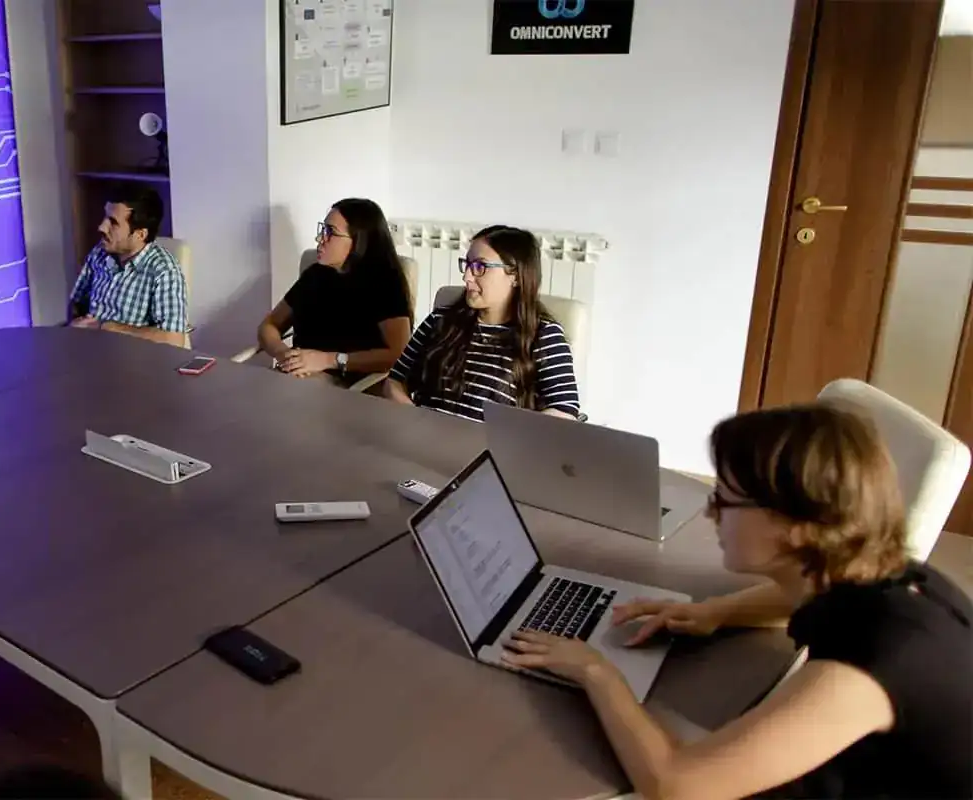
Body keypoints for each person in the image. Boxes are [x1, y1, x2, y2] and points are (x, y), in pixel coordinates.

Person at [501, 404, 971, 799]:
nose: (710, 512)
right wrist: (714, 613)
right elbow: (799, 594)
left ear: (797, 526)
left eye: (726, 500)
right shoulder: (896, 576)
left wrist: (596, 670)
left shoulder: (868, 668)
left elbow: (677, 784)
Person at [385, 225, 579, 421]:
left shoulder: (543, 335)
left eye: (480, 267)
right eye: (467, 265)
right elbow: (395, 380)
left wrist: (516, 438)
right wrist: (414, 419)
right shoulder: (440, 320)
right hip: (422, 439)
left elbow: (565, 409)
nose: (467, 277)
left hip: (492, 448)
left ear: (516, 276)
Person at [255, 199, 413, 386]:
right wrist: (283, 354)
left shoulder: (384, 284)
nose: (319, 239)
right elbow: (269, 325)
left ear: (358, 241)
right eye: (323, 230)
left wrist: (328, 360)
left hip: (348, 384)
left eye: (330, 232)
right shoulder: (315, 275)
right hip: (297, 376)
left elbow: (398, 354)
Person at [66, 182, 188, 347]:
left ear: (140, 234)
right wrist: (75, 323)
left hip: (130, 362)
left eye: (113, 223)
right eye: (105, 217)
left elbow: (173, 340)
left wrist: (106, 327)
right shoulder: (99, 252)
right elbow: (76, 301)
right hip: (86, 351)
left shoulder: (164, 271)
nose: (102, 227)